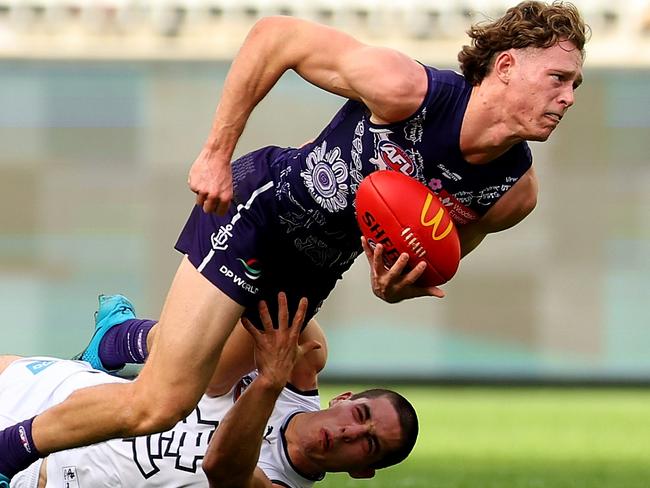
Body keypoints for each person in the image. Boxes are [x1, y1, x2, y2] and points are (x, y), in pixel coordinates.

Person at [0, 1, 588, 481]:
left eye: (576, 85)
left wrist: (396, 283)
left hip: (317, 266)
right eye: (557, 78)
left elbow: (435, 255)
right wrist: (216, 153)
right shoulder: (405, 89)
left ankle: (121, 337)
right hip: (260, 216)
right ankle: (8, 456)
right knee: (160, 404)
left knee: (252, 364)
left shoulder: (513, 194)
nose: (568, 98)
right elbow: (275, 36)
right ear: (506, 65)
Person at [1, 293, 418, 487]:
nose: (350, 432)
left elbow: (223, 469)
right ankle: (125, 339)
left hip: (42, 478)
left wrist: (268, 382)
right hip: (60, 396)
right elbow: (280, 289)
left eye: (369, 445)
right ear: (345, 400)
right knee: (297, 335)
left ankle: (120, 337)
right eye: (360, 417)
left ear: (363, 470)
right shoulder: (301, 368)